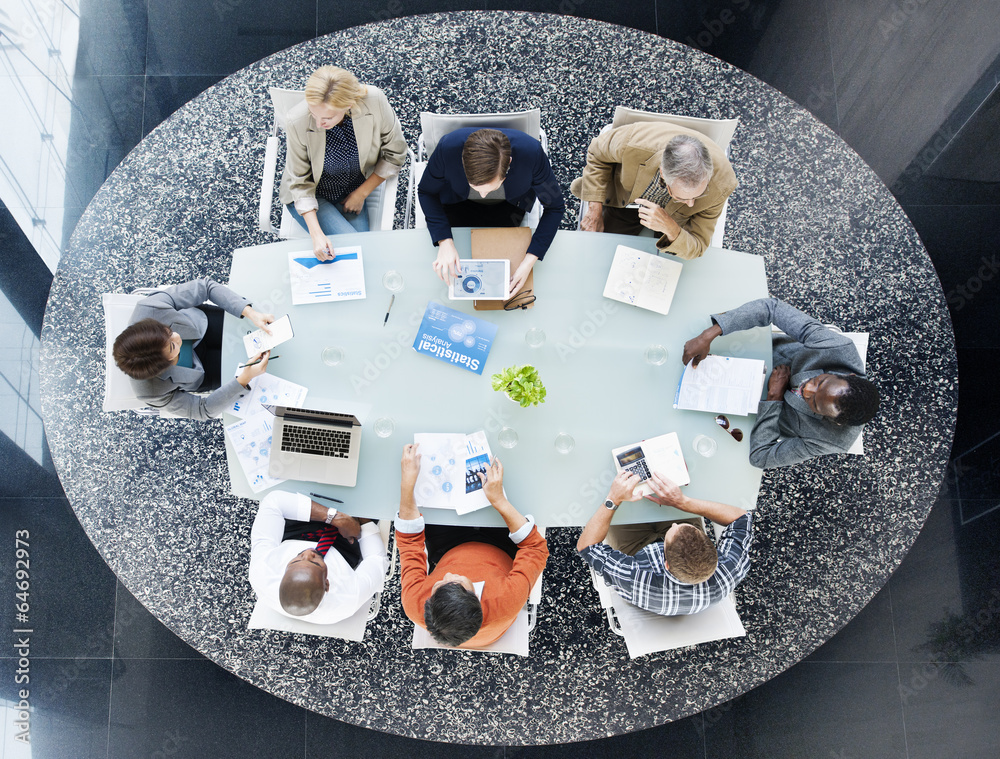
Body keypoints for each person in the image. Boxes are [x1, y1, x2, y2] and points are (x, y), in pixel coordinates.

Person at [683, 297, 881, 469]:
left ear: (834, 421)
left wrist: (774, 398)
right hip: (752, 353)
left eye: (814, 404)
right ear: (848, 376)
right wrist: (708, 335)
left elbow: (761, 457)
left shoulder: (832, 441)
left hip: (741, 410)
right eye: (820, 382)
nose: (806, 389)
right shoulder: (838, 348)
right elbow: (772, 308)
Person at [395, 444, 549, 648]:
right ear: (476, 596)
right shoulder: (505, 601)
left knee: (431, 496)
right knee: (521, 485)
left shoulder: (415, 602)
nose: (448, 574)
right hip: (502, 546)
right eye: (457, 581)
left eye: (439, 583)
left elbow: (409, 542)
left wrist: (407, 482)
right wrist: (498, 500)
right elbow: (536, 549)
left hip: (448, 548)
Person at [577, 471, 752, 616]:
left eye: (673, 528)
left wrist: (613, 498)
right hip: (672, 556)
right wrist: (683, 502)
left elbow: (586, 547)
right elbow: (742, 517)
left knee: (612, 495)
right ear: (714, 552)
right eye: (686, 527)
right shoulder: (730, 568)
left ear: (665, 563)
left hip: (635, 550)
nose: (674, 523)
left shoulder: (636, 578)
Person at [279, 66, 408, 261]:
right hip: (313, 194)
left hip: (354, 188)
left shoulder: (374, 101)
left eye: (327, 118)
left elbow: (396, 153)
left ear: (348, 104)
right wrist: (316, 235)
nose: (318, 124)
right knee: (360, 252)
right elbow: (299, 183)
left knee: (356, 253)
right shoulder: (297, 120)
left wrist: (361, 193)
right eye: (314, 115)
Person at [418, 127, 565, 295]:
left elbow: (555, 207)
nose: (483, 195)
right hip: (456, 203)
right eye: (476, 187)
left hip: (510, 209)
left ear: (509, 163)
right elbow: (426, 192)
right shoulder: (447, 149)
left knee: (502, 270)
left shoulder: (531, 154)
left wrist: (529, 262)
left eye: (492, 187)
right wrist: (444, 241)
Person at [112, 278, 273, 421]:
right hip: (201, 373)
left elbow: (205, 287)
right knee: (268, 373)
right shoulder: (151, 392)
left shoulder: (149, 308)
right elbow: (201, 410)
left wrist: (250, 313)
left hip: (202, 325)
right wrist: (243, 379)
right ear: (164, 366)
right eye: (172, 346)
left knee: (264, 330)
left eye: (167, 330)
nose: (176, 336)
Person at [571, 122, 737, 259]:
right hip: (626, 202)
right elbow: (597, 152)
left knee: (670, 266)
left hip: (676, 221)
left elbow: (698, 245)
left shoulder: (722, 185)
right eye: (682, 197)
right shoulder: (633, 143)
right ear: (663, 173)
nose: (691, 204)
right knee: (598, 255)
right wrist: (594, 211)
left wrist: (671, 229)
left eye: (698, 194)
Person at [249, 491, 386, 623]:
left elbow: (273, 502)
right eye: (315, 563)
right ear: (327, 584)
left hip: (298, 530)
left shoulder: (262, 571)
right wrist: (359, 516)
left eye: (296, 560)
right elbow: (376, 558)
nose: (308, 553)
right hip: (344, 545)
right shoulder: (350, 597)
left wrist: (334, 517)